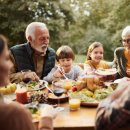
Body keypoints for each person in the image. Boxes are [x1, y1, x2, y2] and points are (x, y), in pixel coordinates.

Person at [0, 35, 56, 130]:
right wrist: (46, 119)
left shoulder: (51, 53)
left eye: (48, 38)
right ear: (30, 39)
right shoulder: (14, 113)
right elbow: (10, 77)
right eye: (6, 59)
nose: (10, 65)